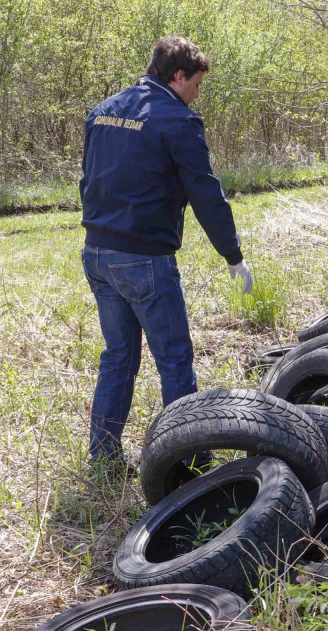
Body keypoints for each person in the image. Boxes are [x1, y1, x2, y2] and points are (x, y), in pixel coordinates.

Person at [80, 35, 252, 478]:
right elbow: (206, 195)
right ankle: (188, 465)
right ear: (178, 76)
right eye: (196, 82)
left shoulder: (103, 111)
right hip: (144, 259)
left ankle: (103, 458)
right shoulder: (177, 120)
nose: (198, 91)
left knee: (118, 356)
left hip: (97, 253)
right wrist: (232, 255)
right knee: (174, 358)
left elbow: (89, 181)